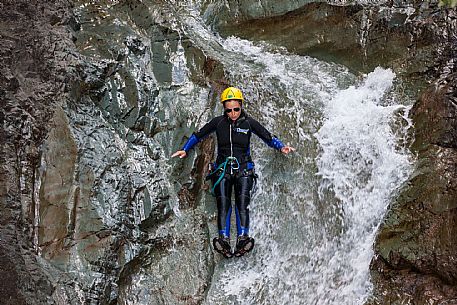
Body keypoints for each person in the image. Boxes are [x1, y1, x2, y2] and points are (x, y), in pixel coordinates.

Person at [172, 87, 295, 258]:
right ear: (224, 109)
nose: (233, 113)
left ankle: (242, 239)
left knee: (241, 203)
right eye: (229, 110)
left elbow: (267, 137)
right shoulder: (218, 123)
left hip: (243, 169)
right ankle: (223, 239)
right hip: (222, 169)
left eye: (236, 109)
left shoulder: (249, 123)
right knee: (223, 204)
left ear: (241, 106)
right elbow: (199, 135)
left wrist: (281, 146)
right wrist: (185, 149)